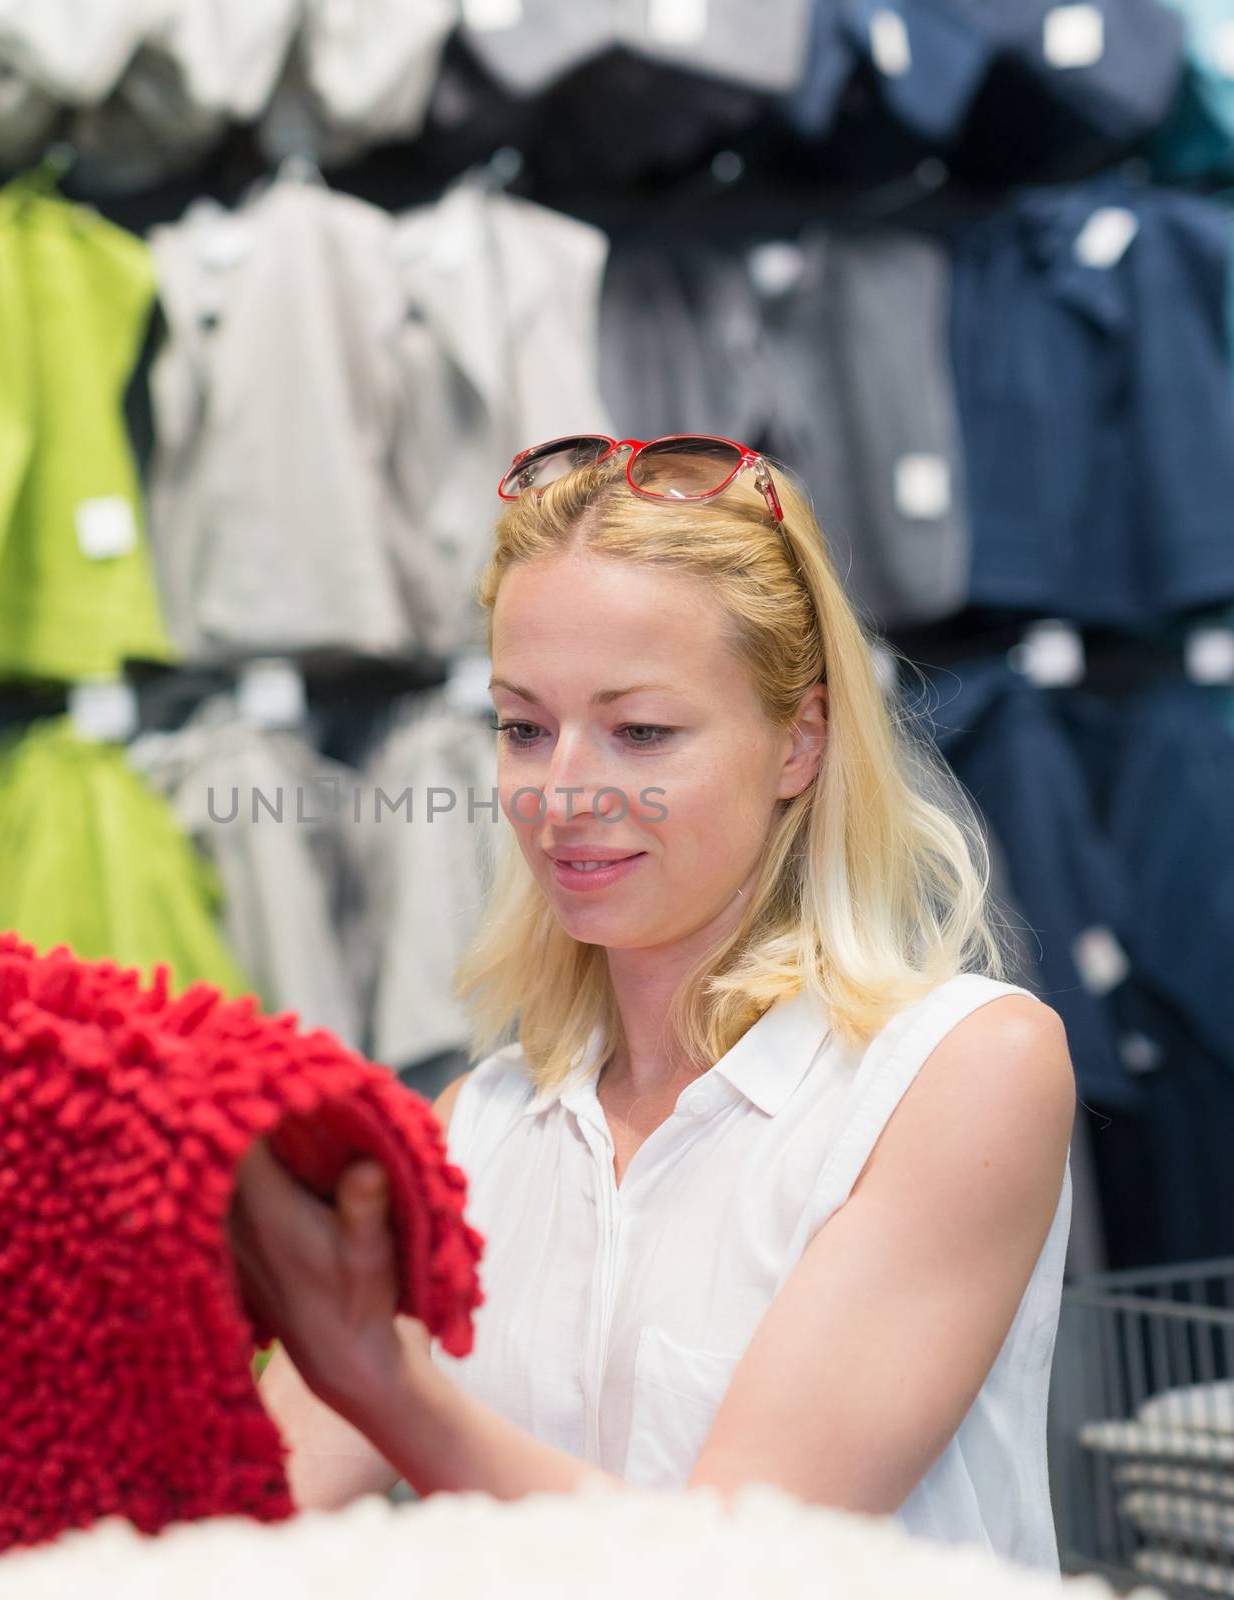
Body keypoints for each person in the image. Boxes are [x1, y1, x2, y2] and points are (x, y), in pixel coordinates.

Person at [229, 435, 1076, 1569]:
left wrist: (398, 1396)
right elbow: (246, 1506)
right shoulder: (476, 1127)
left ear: (800, 741)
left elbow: (736, 1568)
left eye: (641, 733)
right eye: (524, 727)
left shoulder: (962, 1073)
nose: (561, 792)